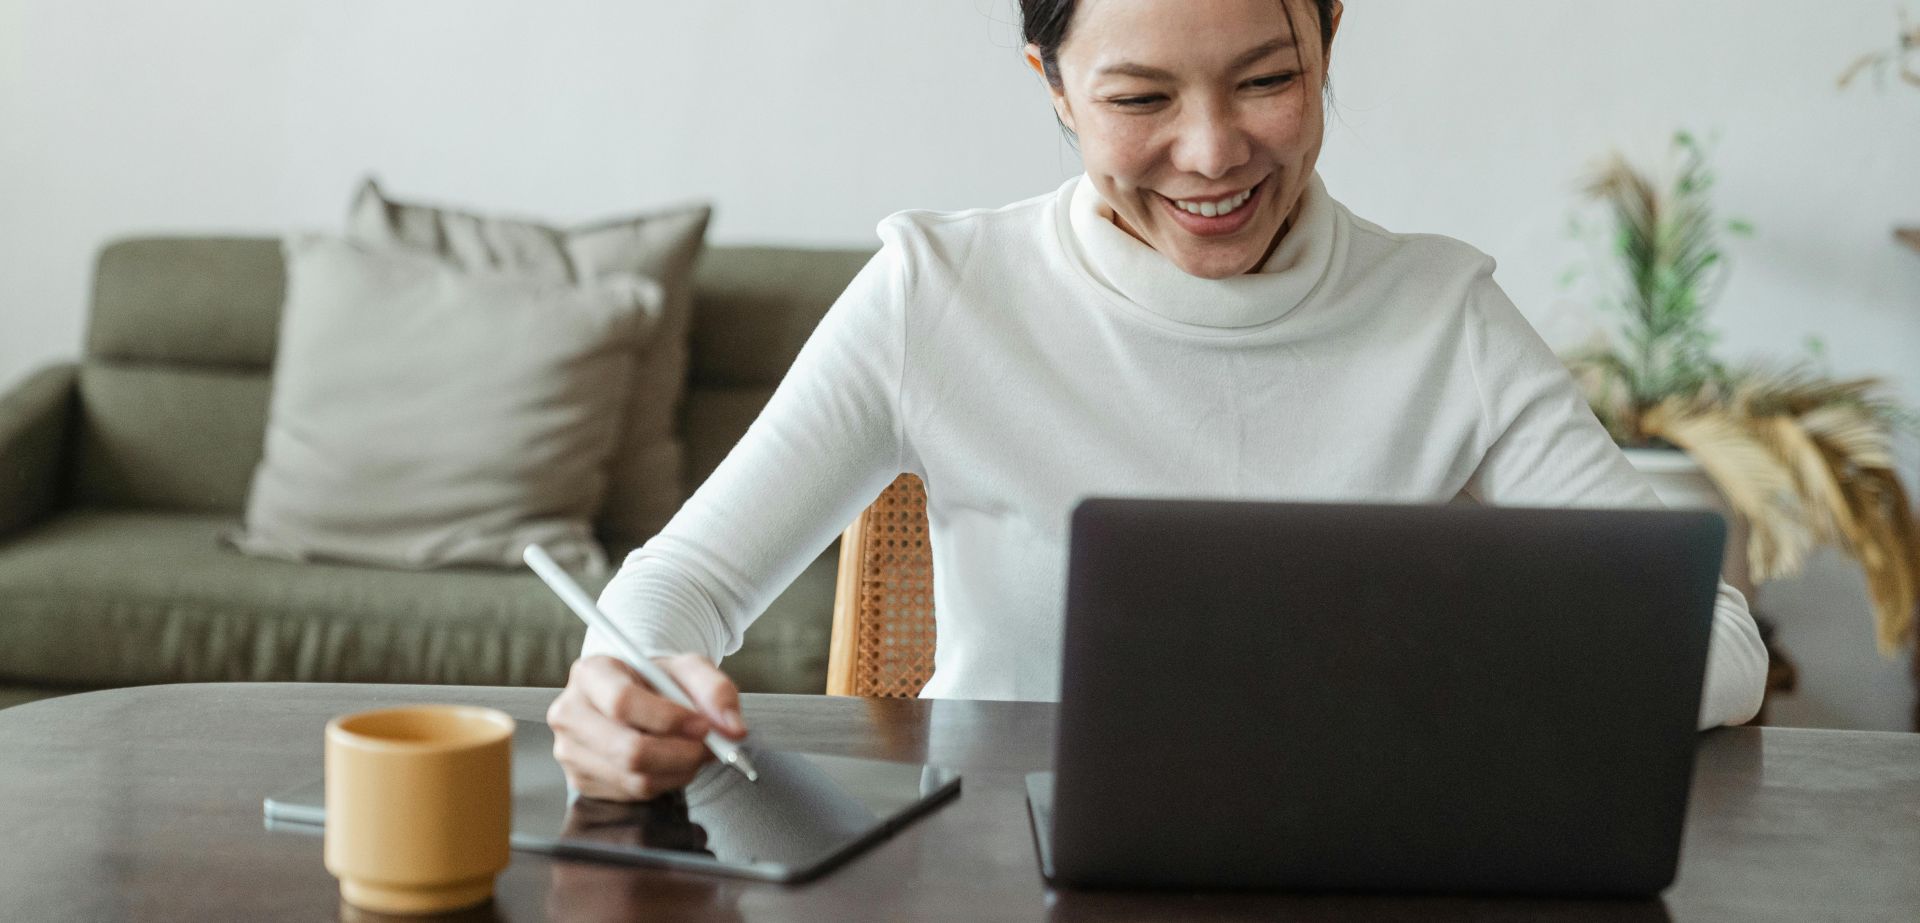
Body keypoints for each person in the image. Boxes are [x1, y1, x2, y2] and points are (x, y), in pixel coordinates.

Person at [546, 0, 1769, 801]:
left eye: (1268, 80)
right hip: (991, 864)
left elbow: (1718, 646)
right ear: (1055, 87)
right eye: (1139, 99)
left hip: (1349, 868)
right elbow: (678, 584)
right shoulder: (938, 293)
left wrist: (1446, 673)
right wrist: (625, 682)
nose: (1213, 152)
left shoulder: (1444, 315)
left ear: (1329, 40)